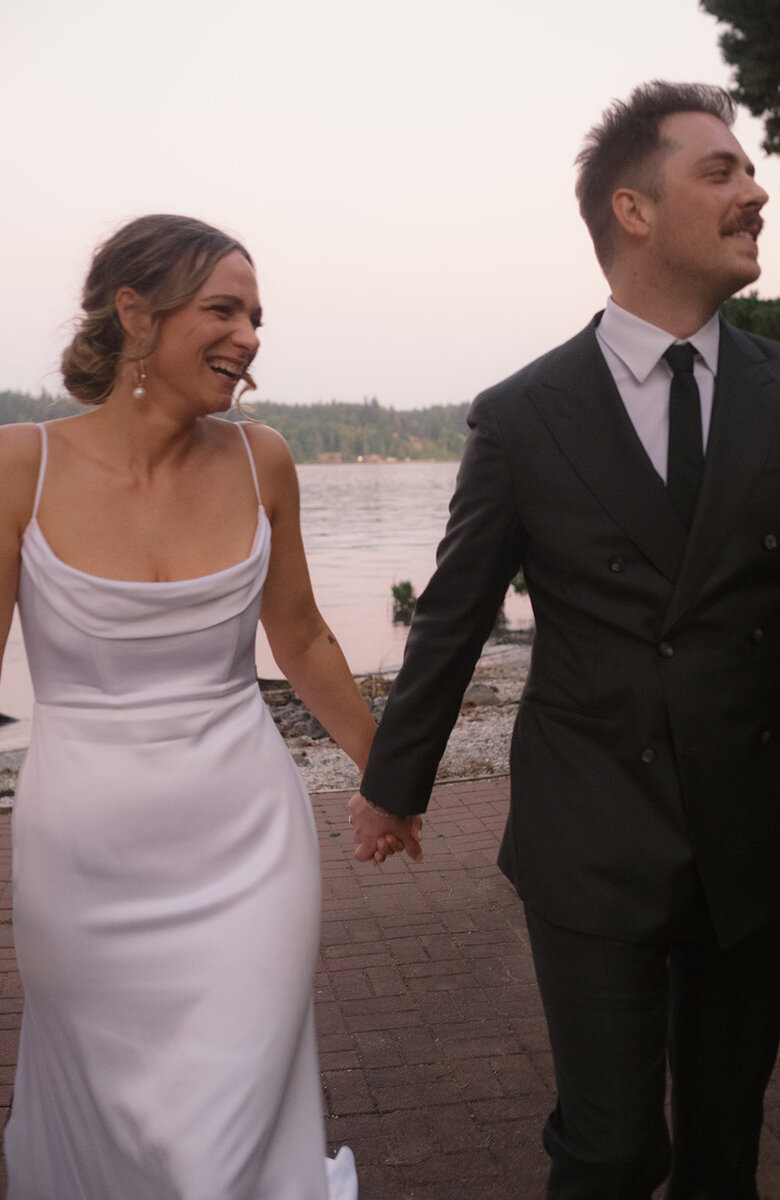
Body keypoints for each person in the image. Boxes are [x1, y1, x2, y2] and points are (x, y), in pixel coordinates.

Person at [349, 81, 780, 1198]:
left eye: (751, 171)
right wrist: (392, 783)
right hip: (591, 831)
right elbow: (453, 613)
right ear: (631, 210)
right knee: (606, 1149)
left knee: (720, 1146)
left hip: (751, 827)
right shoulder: (522, 413)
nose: (755, 193)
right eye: (721, 172)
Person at [0, 214, 376, 1199]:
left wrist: (391, 774)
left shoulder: (264, 460)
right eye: (223, 309)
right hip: (81, 865)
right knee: (117, 1127)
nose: (248, 336)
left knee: (224, 1138)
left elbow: (302, 640)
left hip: (249, 849)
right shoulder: (18, 468)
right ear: (135, 312)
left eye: (255, 316)